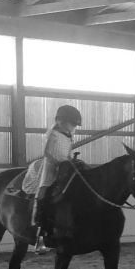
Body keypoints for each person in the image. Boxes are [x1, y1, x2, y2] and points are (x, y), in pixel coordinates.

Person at [28, 104, 81, 252]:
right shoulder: (54, 134)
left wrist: (71, 161)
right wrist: (60, 162)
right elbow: (48, 152)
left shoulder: (68, 136)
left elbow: (68, 153)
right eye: (72, 124)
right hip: (51, 167)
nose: (73, 127)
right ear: (60, 121)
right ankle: (38, 223)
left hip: (65, 166)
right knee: (44, 189)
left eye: (74, 125)